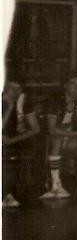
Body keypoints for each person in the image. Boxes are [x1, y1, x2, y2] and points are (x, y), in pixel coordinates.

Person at [2, 78, 40, 206]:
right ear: (5, 87)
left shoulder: (24, 100)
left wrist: (12, 140)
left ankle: (10, 194)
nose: (15, 92)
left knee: (28, 144)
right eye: (12, 88)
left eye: (18, 88)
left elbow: (35, 129)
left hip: (13, 138)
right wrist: (9, 106)